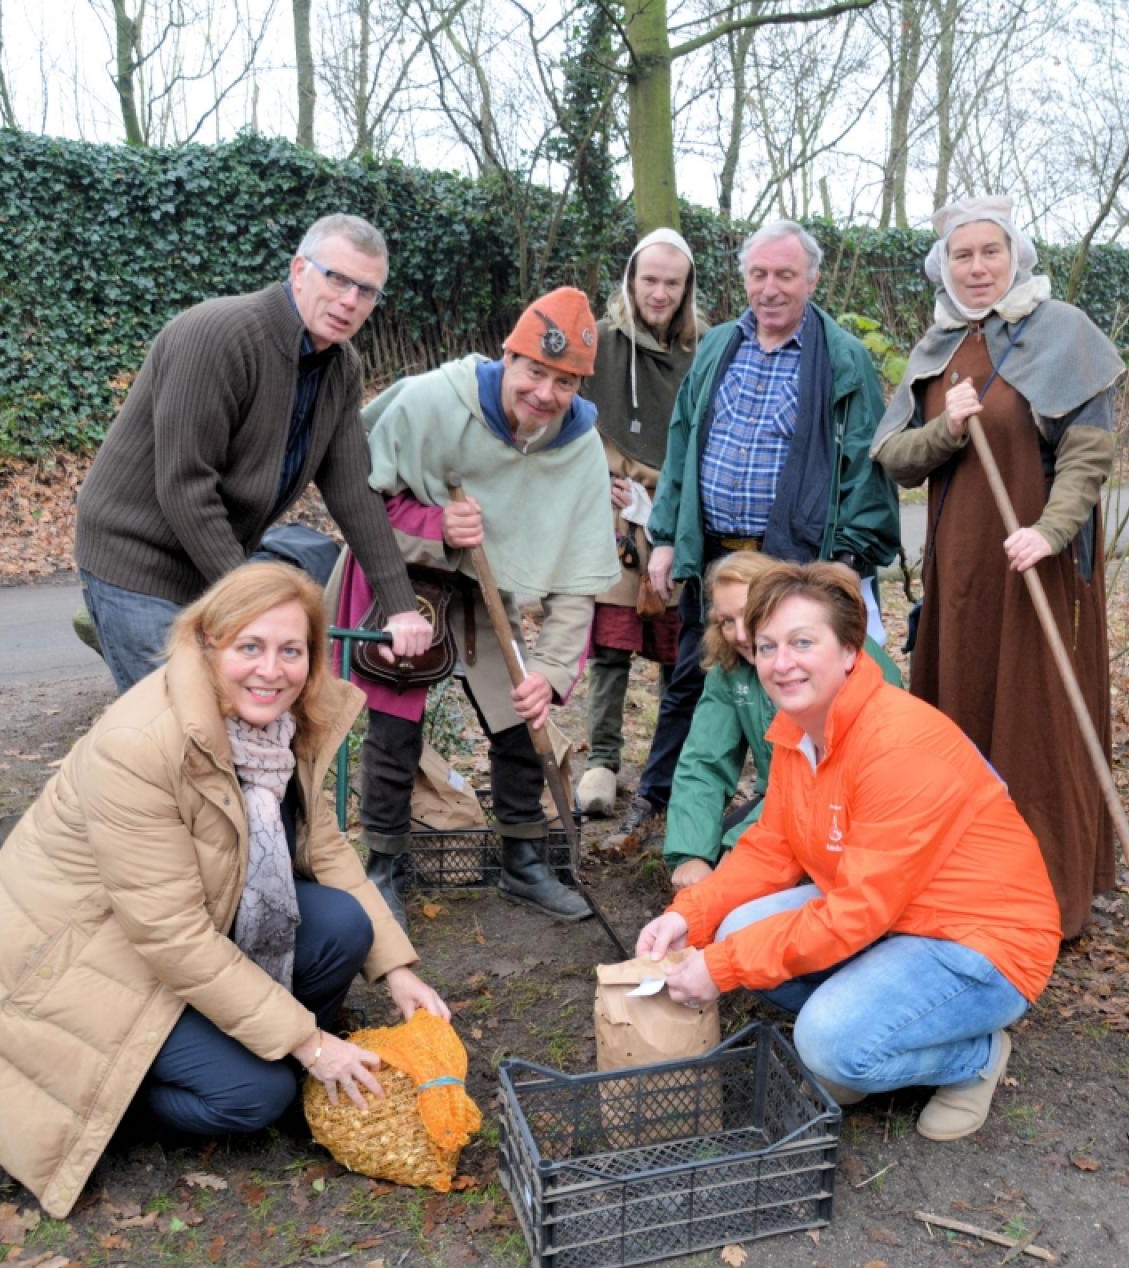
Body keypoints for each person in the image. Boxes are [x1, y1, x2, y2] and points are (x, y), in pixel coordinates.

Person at [0, 563, 450, 1219]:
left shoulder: (285, 725)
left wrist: (397, 971)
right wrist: (308, 1044)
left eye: (291, 650)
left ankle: (261, 1050)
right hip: (88, 964)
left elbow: (323, 846)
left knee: (343, 925)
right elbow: (172, 939)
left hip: (187, 929)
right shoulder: (139, 746)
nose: (271, 670)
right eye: (249, 647)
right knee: (255, 1097)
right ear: (207, 645)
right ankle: (118, 1096)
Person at [636, 562, 1060, 1141]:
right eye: (767, 646)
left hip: (978, 943)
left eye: (802, 642)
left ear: (850, 652)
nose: (782, 663)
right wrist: (690, 915)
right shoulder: (797, 729)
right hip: (894, 917)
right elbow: (771, 848)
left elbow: (858, 912)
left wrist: (722, 966)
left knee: (828, 1045)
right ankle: (875, 1029)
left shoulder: (897, 745)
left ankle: (975, 1055)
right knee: (735, 928)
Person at [871, 195, 1126, 941]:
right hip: (962, 573)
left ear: (1016, 254)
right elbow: (895, 457)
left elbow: (1089, 452)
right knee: (963, 721)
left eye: (991, 251)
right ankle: (964, 888)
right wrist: (947, 428)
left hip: (1037, 566)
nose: (978, 267)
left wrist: (1050, 532)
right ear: (943, 264)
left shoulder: (1065, 332)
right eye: (962, 254)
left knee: (1036, 723)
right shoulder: (939, 346)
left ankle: (1046, 898)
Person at [333, 287, 620, 924]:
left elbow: (579, 577)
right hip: (401, 581)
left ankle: (524, 863)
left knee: (520, 710)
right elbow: (356, 497)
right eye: (534, 371)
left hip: (486, 590)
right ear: (508, 357)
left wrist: (548, 671)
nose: (544, 394)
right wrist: (433, 524)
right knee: (394, 720)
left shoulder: (577, 449)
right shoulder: (434, 401)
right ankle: (383, 868)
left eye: (565, 382)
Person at [625, 220, 903, 846]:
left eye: (784, 274)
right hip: (719, 556)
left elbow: (867, 463)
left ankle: (792, 821)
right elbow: (682, 441)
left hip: (794, 562)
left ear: (811, 279)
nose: (770, 288)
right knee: (696, 678)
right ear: (743, 278)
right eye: (758, 274)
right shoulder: (721, 345)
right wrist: (666, 536)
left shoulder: (842, 359)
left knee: (793, 686)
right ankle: (664, 805)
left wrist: (849, 562)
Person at [74, 214, 431, 693]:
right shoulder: (218, 335)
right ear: (299, 270)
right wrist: (254, 600)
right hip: (137, 561)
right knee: (177, 724)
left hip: (215, 565)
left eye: (366, 291)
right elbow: (185, 486)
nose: (349, 301)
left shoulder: (340, 367)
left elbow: (353, 490)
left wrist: (400, 604)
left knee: (243, 721)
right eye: (338, 279)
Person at [663, 550, 904, 889]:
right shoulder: (732, 669)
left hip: (856, 809)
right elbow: (704, 760)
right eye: (726, 621)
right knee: (710, 868)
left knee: (744, 879)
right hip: (778, 804)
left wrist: (743, 849)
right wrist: (691, 855)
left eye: (748, 614)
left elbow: (816, 782)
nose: (740, 634)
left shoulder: (840, 657)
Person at [577, 229, 706, 818]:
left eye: (671, 283)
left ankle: (668, 764)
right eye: (649, 279)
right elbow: (559, 417)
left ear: (686, 290)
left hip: (679, 508)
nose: (658, 292)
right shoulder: (597, 345)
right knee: (609, 647)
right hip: (612, 511)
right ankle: (601, 761)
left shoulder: (704, 351)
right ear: (631, 280)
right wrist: (589, 477)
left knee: (678, 647)